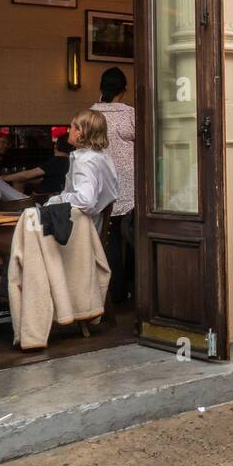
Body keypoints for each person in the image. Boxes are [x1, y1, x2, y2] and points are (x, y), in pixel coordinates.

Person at [91, 67, 137, 306]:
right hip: (130, 186)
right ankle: (136, 289)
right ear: (124, 89)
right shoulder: (129, 113)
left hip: (102, 185)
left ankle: (114, 292)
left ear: (101, 88)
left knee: (108, 239)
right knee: (134, 240)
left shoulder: (91, 114)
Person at [48, 109, 120, 233]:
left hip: (81, 233)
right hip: (94, 226)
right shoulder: (103, 157)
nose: (69, 131)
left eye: (71, 127)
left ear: (79, 132)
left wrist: (59, 199)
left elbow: (85, 201)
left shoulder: (84, 161)